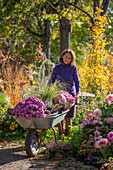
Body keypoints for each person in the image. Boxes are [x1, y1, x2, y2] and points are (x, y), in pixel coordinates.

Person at [49, 49, 80, 135]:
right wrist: (48, 93)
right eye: (66, 57)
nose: (67, 59)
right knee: (59, 116)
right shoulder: (57, 68)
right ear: (62, 57)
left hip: (70, 95)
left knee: (68, 117)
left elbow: (77, 82)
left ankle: (67, 135)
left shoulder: (73, 68)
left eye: (69, 58)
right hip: (60, 96)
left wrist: (77, 96)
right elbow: (51, 81)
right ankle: (60, 134)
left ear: (72, 59)